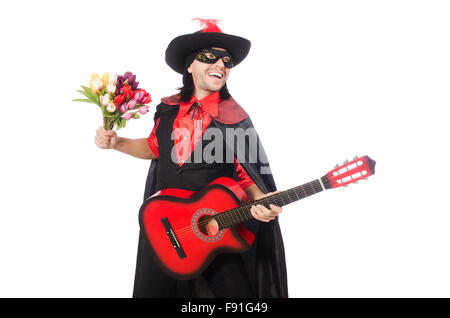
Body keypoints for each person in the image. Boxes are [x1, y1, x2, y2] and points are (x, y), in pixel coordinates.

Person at [94, 19, 288, 298]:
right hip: (164, 224)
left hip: (215, 229)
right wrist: (118, 142)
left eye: (226, 60)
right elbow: (154, 148)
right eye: (209, 56)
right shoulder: (167, 110)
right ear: (189, 65)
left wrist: (263, 205)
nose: (220, 64)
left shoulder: (235, 118)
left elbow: (248, 175)